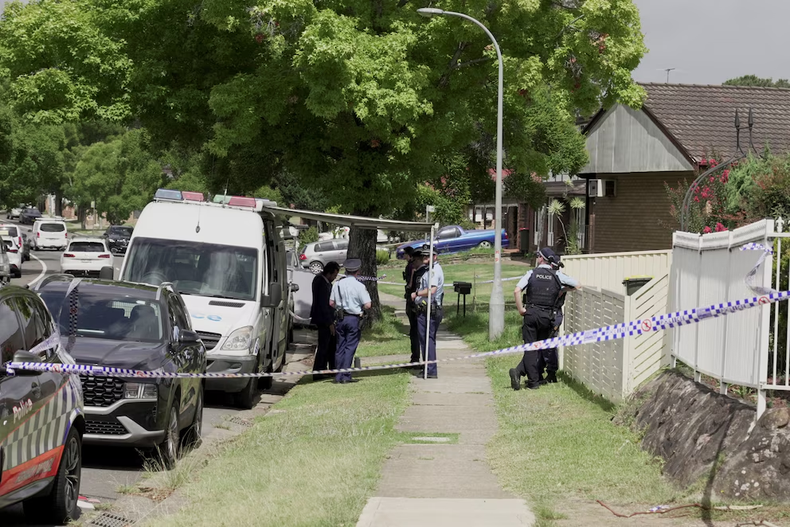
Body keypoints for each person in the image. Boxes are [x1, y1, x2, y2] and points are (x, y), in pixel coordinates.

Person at [509, 248, 580, 391]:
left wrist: (521, 309)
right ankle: (527, 376)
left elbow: (517, 290)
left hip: (531, 313)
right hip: (547, 317)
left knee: (530, 349)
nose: (537, 258)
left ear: (541, 259)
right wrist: (563, 290)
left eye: (537, 256)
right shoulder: (557, 275)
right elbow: (577, 285)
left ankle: (533, 382)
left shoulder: (531, 273)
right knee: (540, 347)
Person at [330, 258, 372, 384]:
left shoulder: (337, 284)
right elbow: (368, 305)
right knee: (350, 347)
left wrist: (340, 307)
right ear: (358, 271)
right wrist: (359, 307)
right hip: (353, 318)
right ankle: (346, 375)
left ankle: (338, 375)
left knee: (340, 347)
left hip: (340, 318)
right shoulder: (360, 286)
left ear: (346, 270)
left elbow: (331, 302)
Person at [536, 255, 569, 385]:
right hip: (545, 314)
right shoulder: (551, 277)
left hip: (554, 315)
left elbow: (576, 285)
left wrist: (562, 290)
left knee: (549, 345)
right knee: (541, 344)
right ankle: (539, 372)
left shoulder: (559, 277)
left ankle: (551, 373)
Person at [411, 251, 444, 379]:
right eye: (423, 256)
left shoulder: (434, 271)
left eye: (428, 255)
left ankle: (430, 370)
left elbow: (432, 290)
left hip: (429, 310)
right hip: (426, 309)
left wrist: (417, 294)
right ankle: (428, 368)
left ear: (434, 256)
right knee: (425, 340)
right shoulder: (429, 270)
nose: (425, 257)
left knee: (427, 340)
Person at [310, 261, 341, 381]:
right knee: (324, 345)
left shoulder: (321, 280)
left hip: (325, 317)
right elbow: (323, 304)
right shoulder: (322, 283)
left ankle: (328, 368)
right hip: (323, 319)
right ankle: (318, 371)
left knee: (331, 344)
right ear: (329, 273)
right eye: (334, 275)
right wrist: (329, 323)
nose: (334, 278)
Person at [404, 249, 428, 366]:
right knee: (415, 333)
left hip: (417, 307)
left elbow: (414, 288)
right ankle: (415, 358)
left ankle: (417, 359)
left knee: (417, 333)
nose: (412, 263)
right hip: (413, 306)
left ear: (419, 260)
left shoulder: (422, 273)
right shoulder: (420, 271)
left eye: (414, 261)